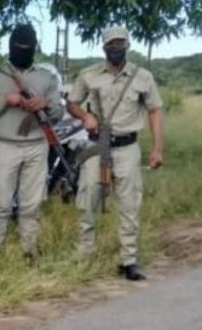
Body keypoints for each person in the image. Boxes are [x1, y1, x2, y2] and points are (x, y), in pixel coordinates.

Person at [66, 26, 165, 281]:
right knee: (88, 198)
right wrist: (85, 115)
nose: (116, 47)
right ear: (103, 47)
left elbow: (155, 111)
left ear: (128, 45)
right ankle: (84, 254)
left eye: (120, 43)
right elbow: (72, 103)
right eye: (111, 43)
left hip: (127, 147)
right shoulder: (89, 75)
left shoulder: (143, 77)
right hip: (96, 145)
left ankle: (128, 260)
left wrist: (156, 149)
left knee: (130, 202)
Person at [0, 23, 62, 260]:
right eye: (19, 46)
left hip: (37, 145)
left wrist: (45, 104)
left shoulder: (46, 78)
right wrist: (6, 100)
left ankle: (29, 251)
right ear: (11, 45)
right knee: (0, 203)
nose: (23, 50)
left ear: (34, 47)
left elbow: (58, 114)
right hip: (5, 145)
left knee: (31, 204)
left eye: (28, 46)